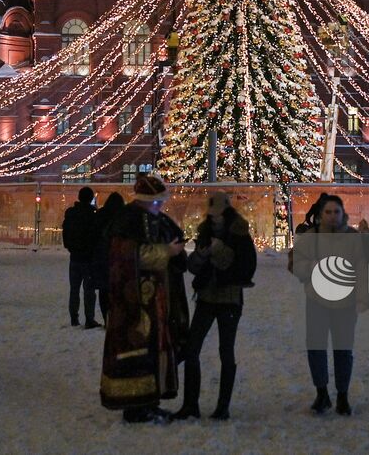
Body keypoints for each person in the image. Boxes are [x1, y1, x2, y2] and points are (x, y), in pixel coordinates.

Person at [100, 174, 189, 424]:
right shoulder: (127, 221)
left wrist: (176, 254)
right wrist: (167, 252)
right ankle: (135, 404)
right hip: (134, 303)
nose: (160, 206)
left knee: (155, 348)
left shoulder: (158, 220)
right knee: (137, 350)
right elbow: (129, 257)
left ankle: (151, 400)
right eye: (156, 202)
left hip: (157, 301)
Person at [172, 192, 256, 421]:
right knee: (192, 349)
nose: (214, 218)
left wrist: (217, 251)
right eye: (212, 215)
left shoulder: (239, 233)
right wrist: (200, 256)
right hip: (207, 297)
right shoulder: (205, 232)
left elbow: (238, 265)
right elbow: (194, 267)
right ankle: (190, 404)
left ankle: (222, 406)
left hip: (229, 299)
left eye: (218, 214)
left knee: (226, 351)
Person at [289, 193, 365, 416]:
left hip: (345, 304)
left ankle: (342, 395)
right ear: (321, 214)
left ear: (343, 213)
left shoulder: (353, 238)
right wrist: (311, 267)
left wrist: (363, 297)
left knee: (343, 350)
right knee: (316, 348)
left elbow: (363, 269)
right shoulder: (311, 237)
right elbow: (294, 264)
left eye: (336, 212)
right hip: (317, 302)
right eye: (328, 212)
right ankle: (321, 392)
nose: (332, 216)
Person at [62, 186, 102, 327]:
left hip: (75, 256)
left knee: (74, 289)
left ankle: (74, 317)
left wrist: (70, 247)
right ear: (90, 198)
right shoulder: (93, 215)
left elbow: (66, 233)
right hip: (89, 258)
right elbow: (96, 236)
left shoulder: (71, 214)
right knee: (89, 290)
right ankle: (89, 318)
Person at [94, 192, 125, 320]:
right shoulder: (123, 216)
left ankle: (106, 316)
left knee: (104, 289)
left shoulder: (100, 215)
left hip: (102, 256)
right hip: (119, 256)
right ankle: (117, 316)